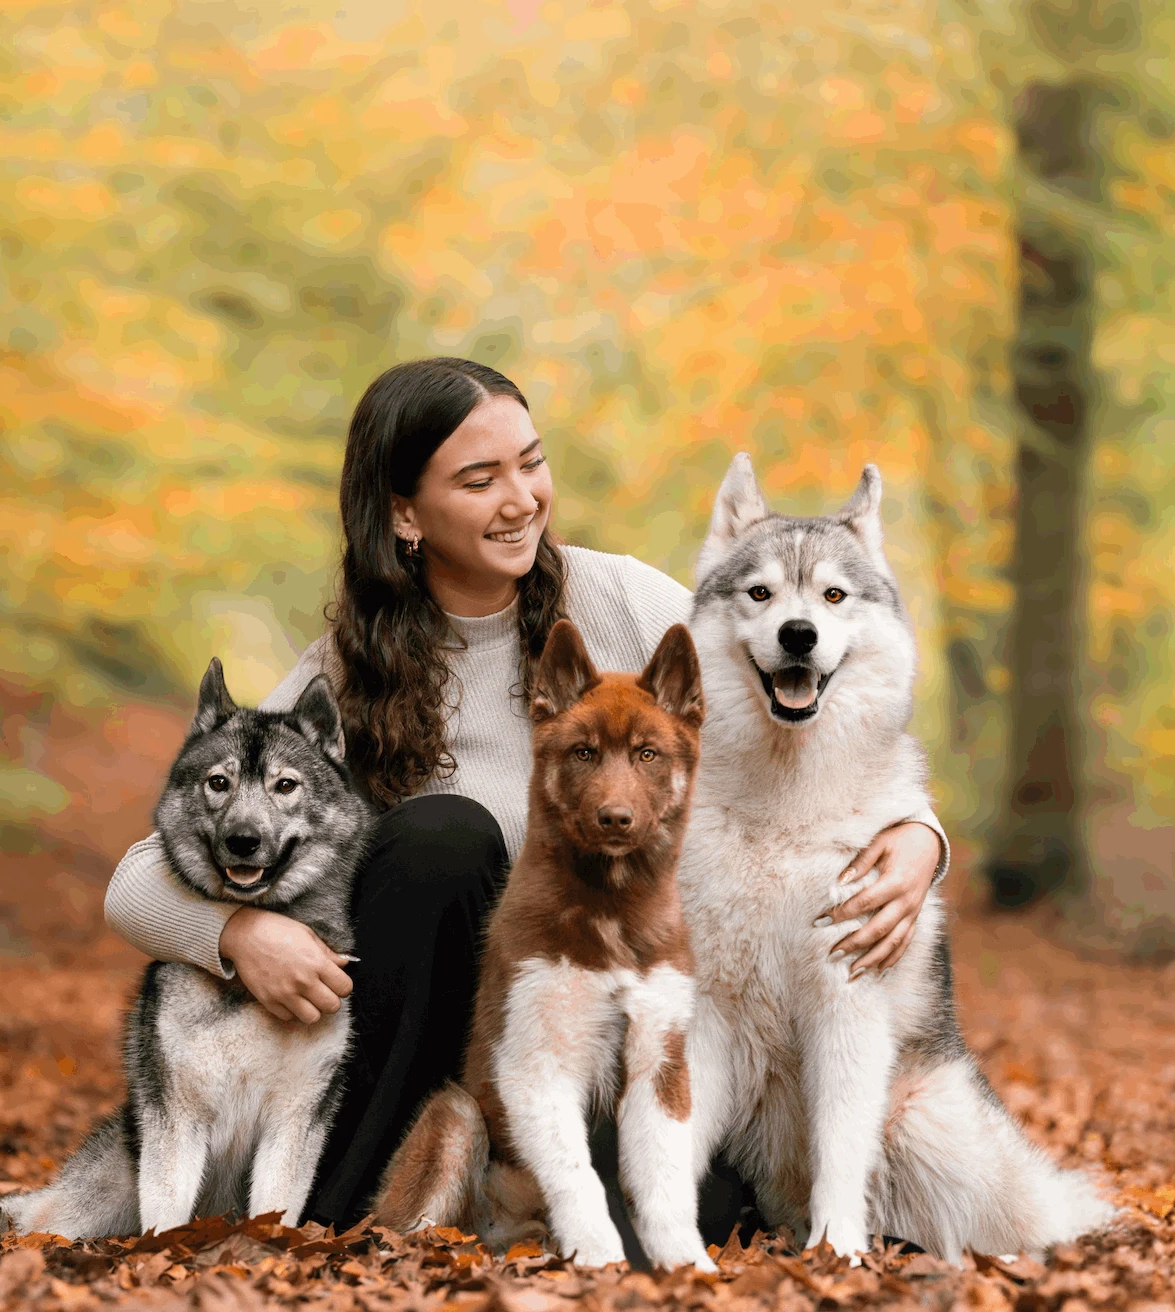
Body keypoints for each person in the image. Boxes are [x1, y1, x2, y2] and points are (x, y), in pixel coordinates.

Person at [104, 357, 951, 1231]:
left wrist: (920, 833)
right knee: (444, 836)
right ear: (403, 513)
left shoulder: (619, 598)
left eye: (530, 462)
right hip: (428, 1034)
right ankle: (341, 1210)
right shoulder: (343, 674)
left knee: (713, 1219)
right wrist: (240, 933)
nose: (521, 499)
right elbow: (136, 881)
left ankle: (539, 1199)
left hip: (602, 1041)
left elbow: (787, 706)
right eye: (480, 478)